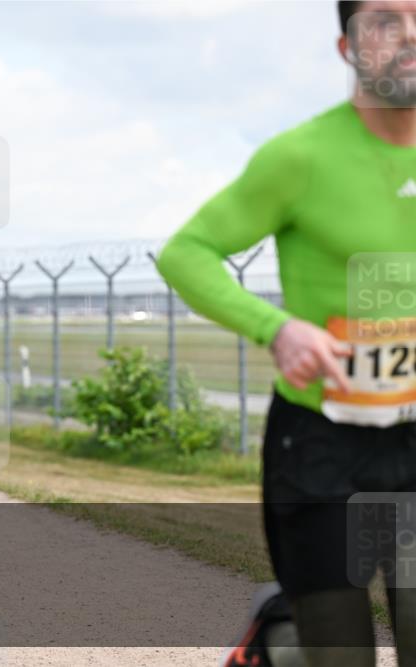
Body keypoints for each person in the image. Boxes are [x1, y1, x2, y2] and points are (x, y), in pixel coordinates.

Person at [158, 3, 416, 666]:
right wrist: (277, 329)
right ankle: (283, 640)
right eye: (385, 21)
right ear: (346, 46)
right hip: (322, 444)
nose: (409, 34)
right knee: (341, 655)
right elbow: (188, 251)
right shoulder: (301, 156)